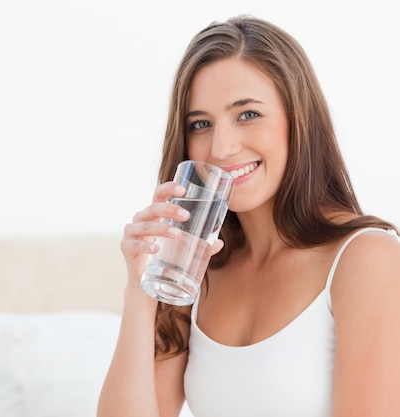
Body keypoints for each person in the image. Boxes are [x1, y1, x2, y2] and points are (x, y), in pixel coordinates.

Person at [97, 15, 400, 417]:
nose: (221, 148)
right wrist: (140, 292)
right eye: (201, 124)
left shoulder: (367, 260)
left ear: (299, 119)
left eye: (248, 114)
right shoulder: (199, 269)